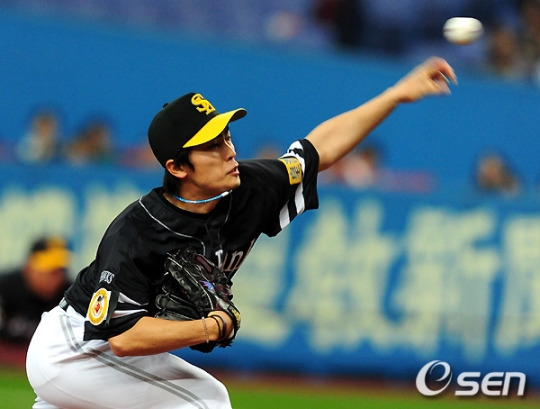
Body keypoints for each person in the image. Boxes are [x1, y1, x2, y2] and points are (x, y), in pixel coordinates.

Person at [25, 56, 456, 409]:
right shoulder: (138, 230)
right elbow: (122, 337)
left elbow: (317, 151)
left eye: (227, 136)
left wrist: (394, 95)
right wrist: (210, 327)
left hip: (108, 358)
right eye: (212, 145)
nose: (229, 150)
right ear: (177, 167)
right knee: (206, 401)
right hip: (76, 351)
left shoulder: (250, 186)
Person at [0, 236, 71, 345]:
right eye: (49, 269)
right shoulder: (5, 289)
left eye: (60, 270)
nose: (55, 277)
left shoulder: (72, 296)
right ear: (28, 267)